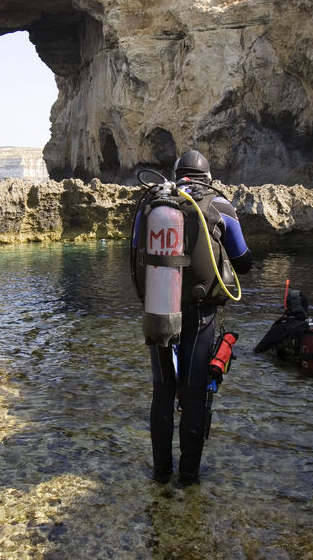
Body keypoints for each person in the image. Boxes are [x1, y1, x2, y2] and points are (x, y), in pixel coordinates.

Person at [132, 149, 252, 485]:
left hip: (158, 306)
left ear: (176, 175)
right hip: (200, 313)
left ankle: (160, 473)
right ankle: (188, 477)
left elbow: (135, 252)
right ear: (207, 177)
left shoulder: (152, 204)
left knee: (162, 390)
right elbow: (244, 261)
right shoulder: (219, 205)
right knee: (194, 391)